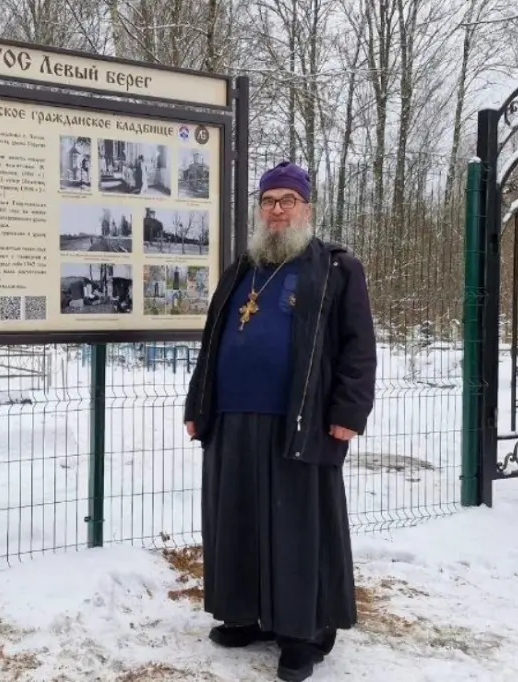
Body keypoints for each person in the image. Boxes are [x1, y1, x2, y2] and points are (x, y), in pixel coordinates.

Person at [183, 160, 377, 681]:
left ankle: (302, 635)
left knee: (296, 531)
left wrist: (348, 413)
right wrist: (197, 406)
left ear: (306, 208)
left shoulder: (335, 268)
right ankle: (248, 614)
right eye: (268, 201)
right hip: (232, 420)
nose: (276, 210)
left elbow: (359, 348)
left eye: (287, 200)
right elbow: (212, 343)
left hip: (301, 422)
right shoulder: (242, 268)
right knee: (240, 521)